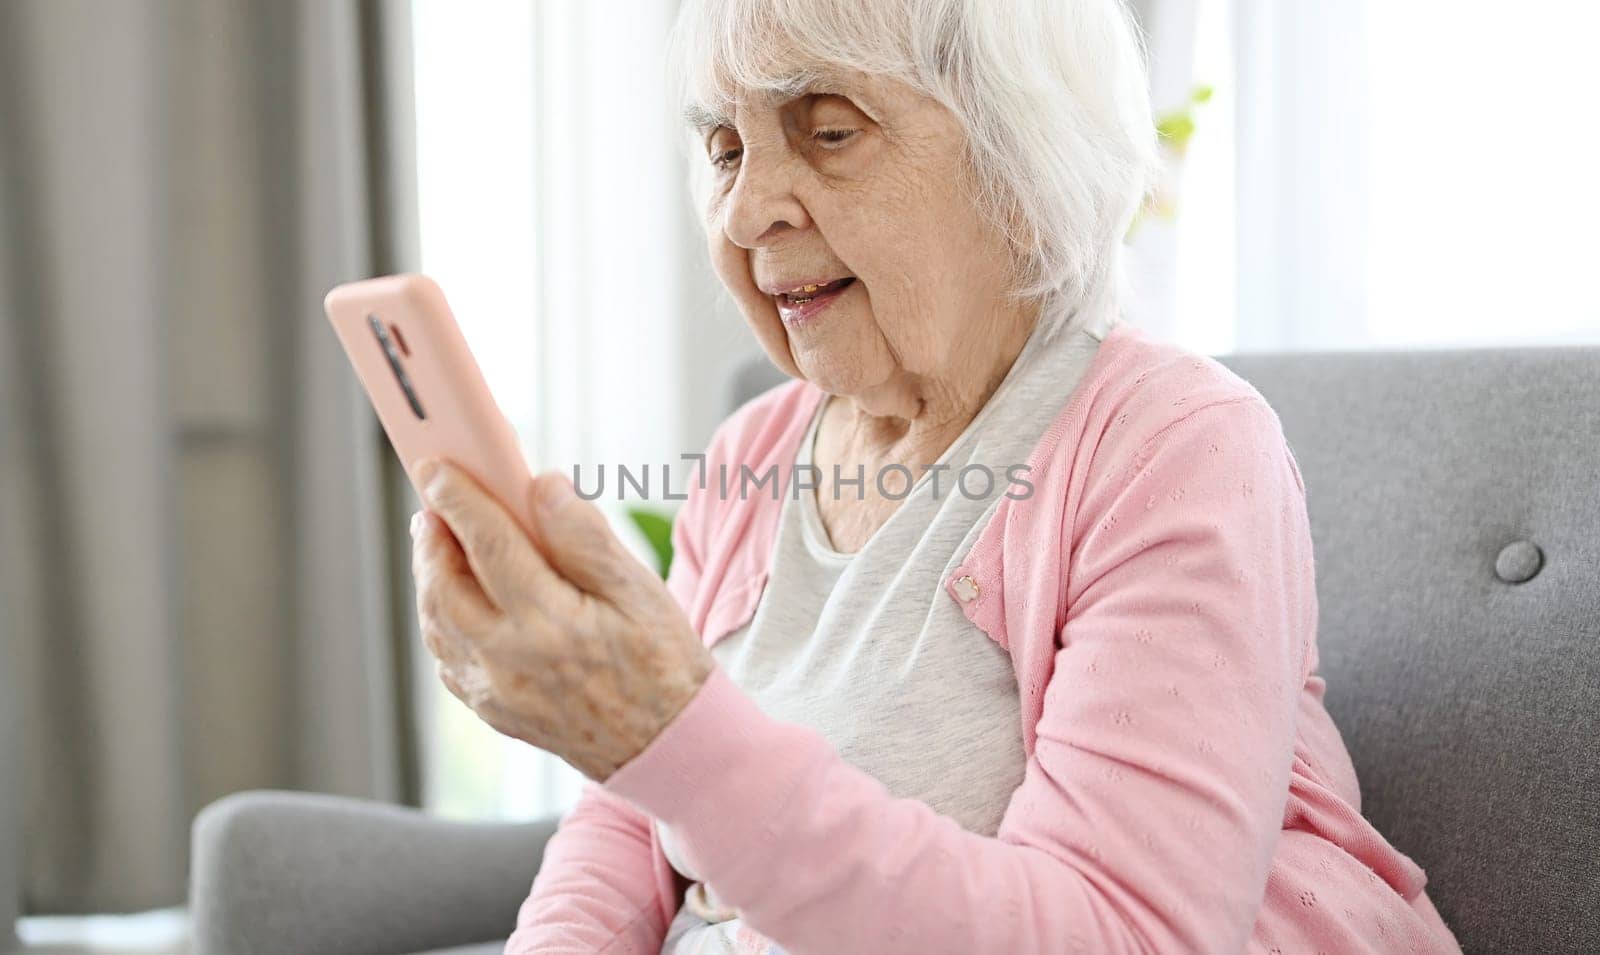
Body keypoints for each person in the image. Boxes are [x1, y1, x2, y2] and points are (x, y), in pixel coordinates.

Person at [407, 0, 1466, 951]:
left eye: (827, 132)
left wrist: (664, 730)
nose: (745, 211)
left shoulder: (1172, 446)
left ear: (1020, 156)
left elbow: (1126, 932)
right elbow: (626, 830)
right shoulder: (753, 455)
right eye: (725, 150)